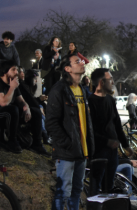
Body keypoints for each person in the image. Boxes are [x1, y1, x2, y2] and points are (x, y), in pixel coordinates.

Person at [46, 54, 95, 210]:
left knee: (76, 190)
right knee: (63, 193)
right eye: (77, 62)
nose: (82, 63)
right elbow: (52, 122)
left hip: (81, 151)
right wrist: (67, 143)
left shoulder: (81, 88)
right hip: (67, 152)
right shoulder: (59, 90)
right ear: (67, 69)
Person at [88, 68, 132, 195]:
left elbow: (117, 125)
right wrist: (107, 142)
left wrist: (126, 145)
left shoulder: (110, 100)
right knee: (96, 187)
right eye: (110, 79)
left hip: (112, 152)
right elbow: (90, 130)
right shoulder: (90, 102)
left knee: (109, 186)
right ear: (101, 82)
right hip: (98, 152)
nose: (112, 82)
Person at [0, 60, 47, 155]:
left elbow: (21, 101)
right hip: (3, 114)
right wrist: (12, 88)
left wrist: (27, 108)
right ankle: (11, 141)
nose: (16, 72)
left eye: (17, 70)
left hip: (12, 116)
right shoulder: (1, 83)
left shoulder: (13, 83)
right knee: (12, 109)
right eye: (13, 70)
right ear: (5, 71)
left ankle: (37, 144)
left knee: (35, 111)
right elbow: (3, 103)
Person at [22, 69, 50, 144]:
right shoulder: (24, 86)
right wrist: (39, 104)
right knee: (39, 112)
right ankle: (45, 135)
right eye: (35, 79)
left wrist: (40, 100)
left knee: (42, 107)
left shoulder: (29, 87)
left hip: (30, 107)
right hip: (24, 109)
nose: (36, 81)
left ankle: (46, 134)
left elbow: (32, 100)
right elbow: (30, 101)